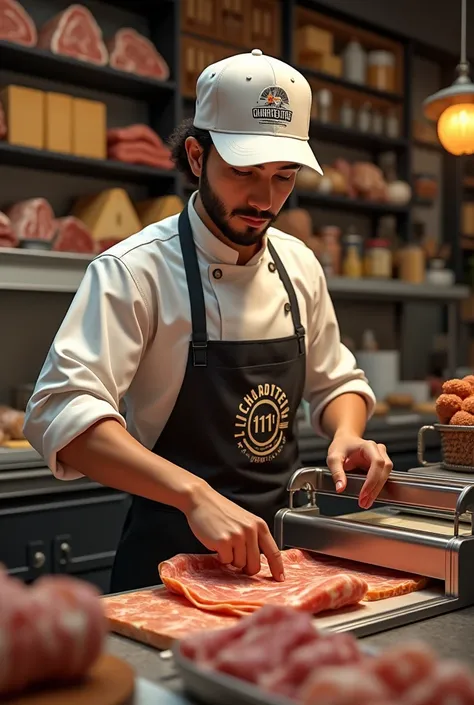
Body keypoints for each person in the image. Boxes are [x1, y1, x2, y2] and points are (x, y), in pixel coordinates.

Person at [23, 48, 392, 593]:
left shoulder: (298, 263)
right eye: (244, 172)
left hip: (279, 562)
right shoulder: (135, 270)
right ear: (196, 157)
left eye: (284, 177)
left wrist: (347, 432)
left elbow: (338, 380)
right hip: (165, 568)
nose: (264, 200)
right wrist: (193, 495)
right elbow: (61, 413)